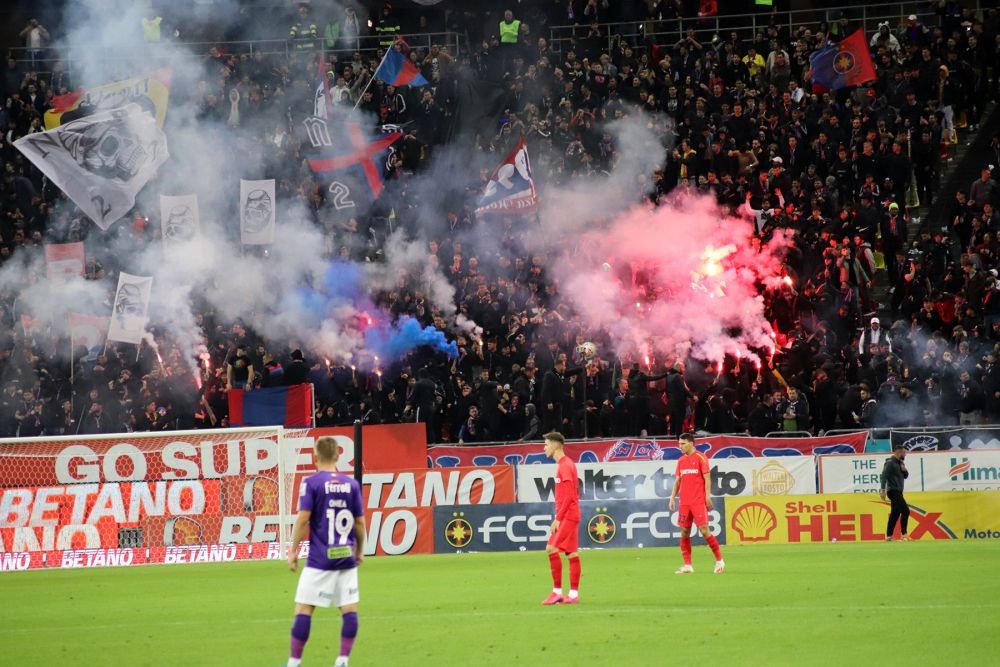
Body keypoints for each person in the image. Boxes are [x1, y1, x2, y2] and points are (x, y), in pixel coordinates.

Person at [286, 436, 365, 667]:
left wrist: (292, 551)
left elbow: (303, 520)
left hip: (320, 559)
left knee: (304, 608)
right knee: (349, 609)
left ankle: (294, 662)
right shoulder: (351, 484)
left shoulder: (312, 483)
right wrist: (359, 551)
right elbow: (359, 523)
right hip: (345, 557)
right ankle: (342, 660)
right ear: (338, 456)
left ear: (315, 456)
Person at [668, 433, 724, 574]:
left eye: (683, 443)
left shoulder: (701, 458)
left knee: (704, 530)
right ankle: (687, 565)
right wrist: (672, 497)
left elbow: (707, 479)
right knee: (685, 531)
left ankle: (719, 561)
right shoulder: (681, 461)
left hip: (698, 501)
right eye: (679, 443)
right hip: (684, 502)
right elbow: (677, 481)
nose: (680, 446)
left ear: (691, 443)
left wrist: (708, 497)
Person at [541, 431, 581, 605]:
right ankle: (573, 595)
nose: (545, 448)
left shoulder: (565, 465)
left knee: (551, 548)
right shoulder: (566, 464)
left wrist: (558, 517)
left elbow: (570, 495)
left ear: (557, 445)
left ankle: (557, 591)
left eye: (547, 444)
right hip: (571, 514)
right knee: (571, 553)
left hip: (568, 516)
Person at [880, 444, 910, 541]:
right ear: (899, 452)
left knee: (895, 514)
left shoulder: (900, 463)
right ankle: (904, 535)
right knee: (905, 511)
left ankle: (888, 536)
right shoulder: (890, 463)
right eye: (904, 452)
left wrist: (904, 470)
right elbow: (883, 476)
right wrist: (883, 490)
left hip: (898, 491)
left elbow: (906, 476)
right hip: (893, 491)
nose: (905, 454)